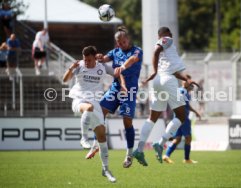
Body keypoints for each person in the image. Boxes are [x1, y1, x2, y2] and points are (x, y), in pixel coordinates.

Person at [132, 26, 197, 166]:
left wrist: (186, 79)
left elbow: (174, 71)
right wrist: (154, 71)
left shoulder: (167, 53)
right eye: (168, 32)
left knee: (152, 119)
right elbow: (156, 51)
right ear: (162, 35)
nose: (171, 34)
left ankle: (139, 149)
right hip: (166, 80)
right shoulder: (166, 40)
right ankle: (161, 143)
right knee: (181, 116)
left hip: (158, 82)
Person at [62, 46, 116, 183]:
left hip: (95, 103)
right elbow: (64, 80)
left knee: (102, 136)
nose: (86, 62)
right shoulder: (79, 66)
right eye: (85, 59)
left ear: (94, 58)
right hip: (79, 100)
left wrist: (122, 84)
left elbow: (117, 72)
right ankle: (84, 138)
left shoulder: (102, 67)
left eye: (89, 60)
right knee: (88, 107)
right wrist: (71, 68)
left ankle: (106, 169)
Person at [97, 26, 143, 168]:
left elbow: (133, 60)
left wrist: (122, 67)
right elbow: (104, 58)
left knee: (127, 122)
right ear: (117, 43)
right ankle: (96, 145)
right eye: (120, 42)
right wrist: (100, 58)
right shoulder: (115, 52)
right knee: (99, 112)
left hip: (129, 90)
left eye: (124, 41)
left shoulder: (137, 50)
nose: (122, 44)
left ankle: (129, 154)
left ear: (128, 39)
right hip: (116, 88)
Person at [163, 76, 201, 164]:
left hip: (177, 118)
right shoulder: (184, 92)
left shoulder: (180, 91)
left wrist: (195, 111)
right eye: (189, 81)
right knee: (188, 138)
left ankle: (166, 155)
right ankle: (187, 159)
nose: (191, 83)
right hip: (183, 118)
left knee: (178, 139)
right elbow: (185, 106)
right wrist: (195, 112)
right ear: (184, 82)